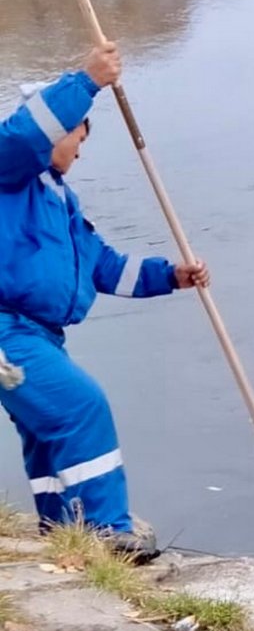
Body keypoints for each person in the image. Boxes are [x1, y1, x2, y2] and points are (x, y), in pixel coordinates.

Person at [0, 43, 209, 563]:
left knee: (49, 433)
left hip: (38, 334)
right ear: (56, 131)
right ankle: (106, 532)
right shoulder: (7, 171)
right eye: (77, 137)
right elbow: (25, 134)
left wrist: (173, 276)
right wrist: (88, 80)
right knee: (81, 406)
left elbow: (103, 267)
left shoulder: (61, 201)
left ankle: (63, 529)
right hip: (6, 331)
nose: (81, 150)